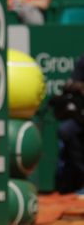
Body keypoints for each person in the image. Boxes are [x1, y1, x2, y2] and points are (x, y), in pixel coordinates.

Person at [55, 53, 84, 193]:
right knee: (65, 131)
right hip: (81, 116)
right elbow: (71, 83)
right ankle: (75, 180)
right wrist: (79, 87)